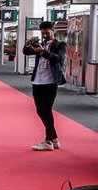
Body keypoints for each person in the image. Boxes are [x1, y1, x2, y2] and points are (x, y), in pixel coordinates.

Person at [23, 21, 67, 151]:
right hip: (37, 81)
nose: (45, 35)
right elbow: (26, 52)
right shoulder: (40, 44)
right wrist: (28, 43)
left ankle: (48, 141)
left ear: (53, 31)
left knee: (46, 110)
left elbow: (58, 58)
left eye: (47, 33)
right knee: (40, 111)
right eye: (43, 33)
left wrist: (43, 52)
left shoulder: (60, 45)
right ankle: (54, 139)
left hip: (50, 82)